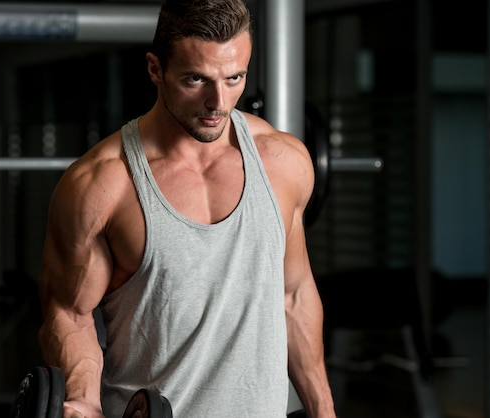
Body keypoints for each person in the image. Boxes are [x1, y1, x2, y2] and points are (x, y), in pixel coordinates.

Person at [37, 0, 336, 417]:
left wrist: (324, 410)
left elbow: (294, 295)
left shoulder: (283, 162)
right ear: (155, 69)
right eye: (196, 79)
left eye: (235, 78)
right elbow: (69, 313)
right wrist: (83, 400)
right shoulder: (102, 184)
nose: (218, 102)